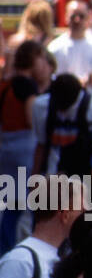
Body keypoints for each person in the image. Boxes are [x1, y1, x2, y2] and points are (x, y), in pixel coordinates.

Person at [0, 41, 48, 254]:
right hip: (24, 151)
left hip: (5, 149)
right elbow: (33, 119)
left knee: (9, 205)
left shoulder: (5, 83)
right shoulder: (27, 86)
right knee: (24, 207)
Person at [46, 0, 92, 99]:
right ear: (66, 17)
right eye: (73, 16)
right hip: (64, 103)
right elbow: (48, 79)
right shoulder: (54, 48)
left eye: (81, 16)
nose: (77, 20)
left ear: (88, 18)